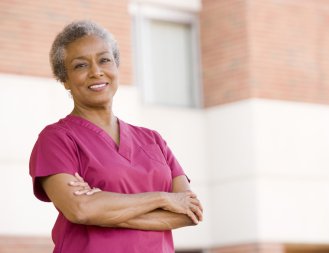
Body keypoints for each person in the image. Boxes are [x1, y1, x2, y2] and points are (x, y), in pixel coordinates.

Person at [29, 20, 203, 253]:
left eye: (104, 60)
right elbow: (80, 210)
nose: (96, 71)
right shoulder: (57, 139)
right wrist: (162, 199)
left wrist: (103, 209)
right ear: (65, 80)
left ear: (116, 66)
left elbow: (190, 213)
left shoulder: (152, 140)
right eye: (81, 65)